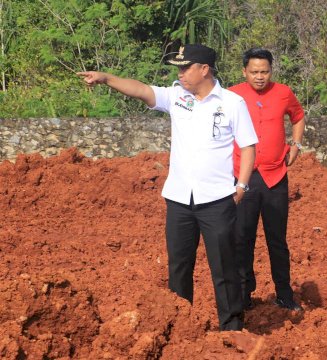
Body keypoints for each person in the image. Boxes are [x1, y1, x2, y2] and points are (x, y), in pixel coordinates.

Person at [77, 44, 258, 331]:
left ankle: (231, 327)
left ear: (204, 69)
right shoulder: (177, 96)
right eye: (179, 68)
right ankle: (179, 325)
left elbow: (248, 147)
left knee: (224, 267)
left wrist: (242, 186)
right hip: (178, 199)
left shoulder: (232, 103)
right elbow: (141, 90)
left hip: (217, 199)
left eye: (185, 67)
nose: (180, 73)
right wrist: (107, 78)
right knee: (179, 266)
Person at [229, 48, 305, 311]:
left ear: (271, 71)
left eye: (265, 72)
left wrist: (295, 144)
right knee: (242, 239)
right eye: (254, 72)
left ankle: (284, 295)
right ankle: (243, 296)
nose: (260, 77)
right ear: (244, 72)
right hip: (243, 177)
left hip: (275, 177)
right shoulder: (231, 95)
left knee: (277, 240)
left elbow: (298, 116)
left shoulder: (283, 92)